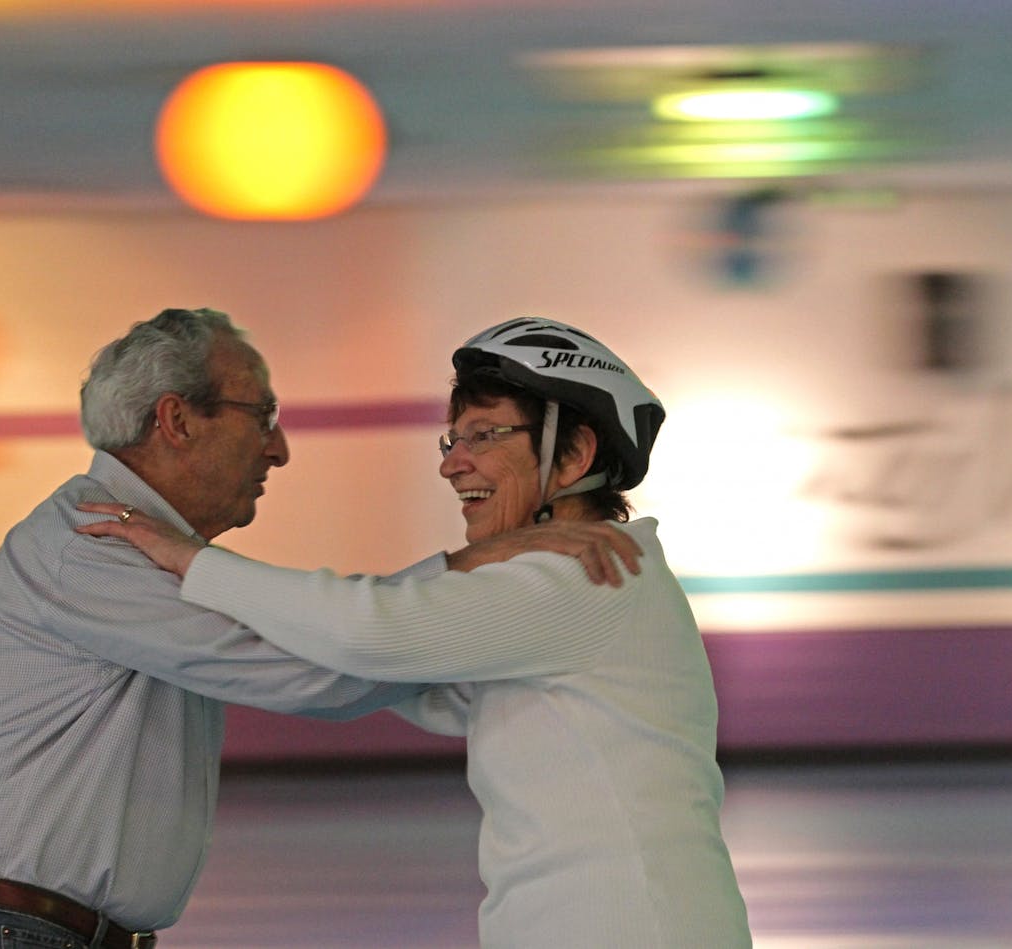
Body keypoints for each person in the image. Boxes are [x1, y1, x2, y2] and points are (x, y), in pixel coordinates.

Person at [0, 307, 644, 949]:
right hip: (6, 931)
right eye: (262, 416)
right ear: (177, 419)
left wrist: (480, 622)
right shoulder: (90, 544)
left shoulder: (147, 550)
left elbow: (335, 656)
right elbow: (301, 670)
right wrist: (470, 572)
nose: (280, 448)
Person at [78, 316, 752, 947]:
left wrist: (192, 561)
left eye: (485, 435)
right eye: (452, 439)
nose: (452, 463)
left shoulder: (587, 576)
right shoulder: (568, 585)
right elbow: (391, 666)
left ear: (574, 453)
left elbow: (368, 632)